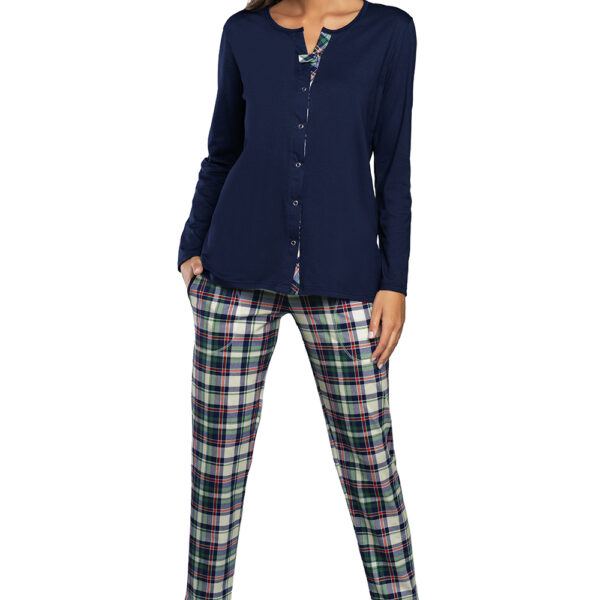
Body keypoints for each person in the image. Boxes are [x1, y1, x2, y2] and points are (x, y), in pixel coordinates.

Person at [177, 1, 419, 598]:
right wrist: (190, 247)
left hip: (346, 278)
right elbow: (223, 150)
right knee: (216, 481)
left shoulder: (390, 32)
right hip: (233, 274)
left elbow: (393, 166)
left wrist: (395, 281)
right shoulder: (243, 32)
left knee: (372, 471)